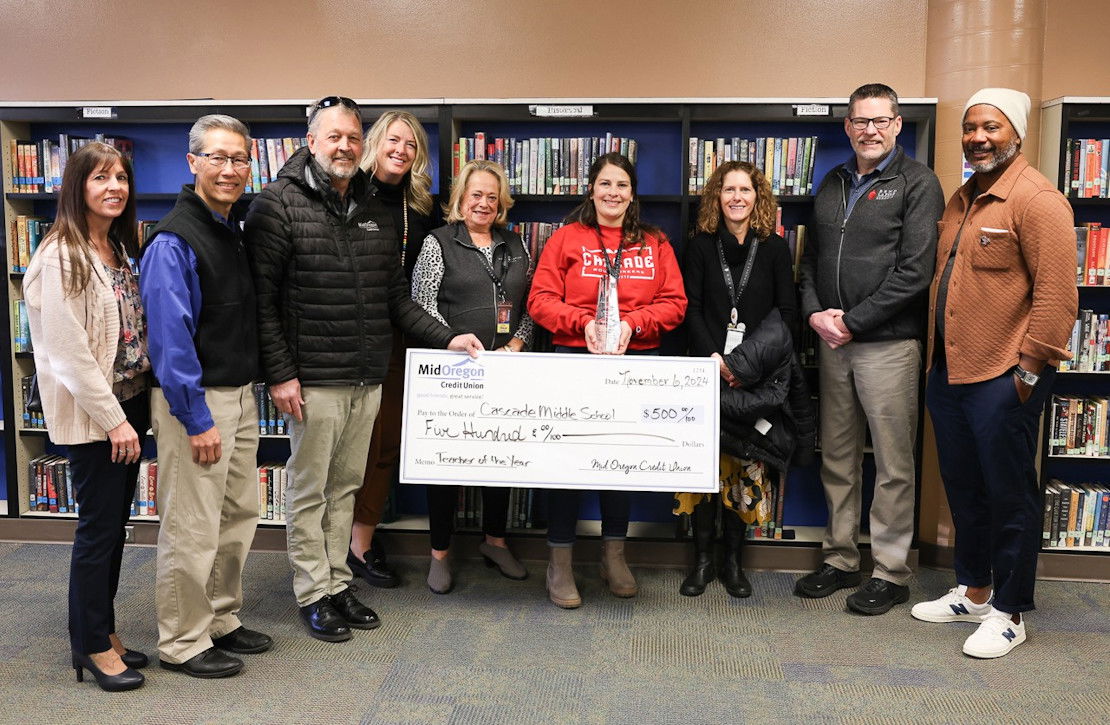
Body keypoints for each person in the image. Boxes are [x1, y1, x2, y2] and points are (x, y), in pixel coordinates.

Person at [245, 96, 482, 643]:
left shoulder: (375, 209)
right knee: (310, 490)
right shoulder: (277, 204)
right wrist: (280, 374)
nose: (345, 146)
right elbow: (263, 301)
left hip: (367, 374)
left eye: (352, 137)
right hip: (312, 379)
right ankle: (312, 592)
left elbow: (397, 298)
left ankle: (336, 582)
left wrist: (448, 338)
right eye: (334, 137)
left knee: (346, 485)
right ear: (311, 141)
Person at [914, 88, 1077, 658]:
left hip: (1004, 375)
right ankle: (975, 589)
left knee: (1010, 496)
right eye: (970, 128)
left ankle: (1010, 611)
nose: (978, 137)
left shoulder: (1038, 200)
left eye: (991, 127)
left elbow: (1058, 299)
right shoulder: (962, 199)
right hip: (950, 371)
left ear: (1018, 133)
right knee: (964, 487)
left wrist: (1026, 376)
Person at [796, 83, 944, 615]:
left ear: (898, 125)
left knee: (892, 462)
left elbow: (915, 272)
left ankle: (890, 570)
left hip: (886, 345)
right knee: (837, 455)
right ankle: (839, 559)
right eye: (861, 121)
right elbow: (810, 260)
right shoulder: (832, 183)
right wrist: (816, 314)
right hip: (833, 342)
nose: (870, 130)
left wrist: (852, 322)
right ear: (848, 127)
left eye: (881, 120)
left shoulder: (919, 184)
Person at [141, 114, 270, 679]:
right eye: (216, 158)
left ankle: (220, 618)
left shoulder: (231, 228)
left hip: (239, 398)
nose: (229, 169)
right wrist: (196, 420)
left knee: (238, 513)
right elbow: (170, 343)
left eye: (238, 159)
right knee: (192, 525)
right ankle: (183, 639)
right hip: (197, 405)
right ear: (192, 163)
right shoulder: (174, 240)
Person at [528, 152, 687, 609]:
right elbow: (540, 300)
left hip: (634, 364)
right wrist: (583, 324)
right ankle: (559, 562)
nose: (613, 193)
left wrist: (631, 324)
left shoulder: (654, 242)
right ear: (591, 189)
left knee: (621, 461)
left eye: (621, 185)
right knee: (567, 465)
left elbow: (675, 304)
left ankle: (613, 555)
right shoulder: (566, 239)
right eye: (605, 184)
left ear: (632, 192)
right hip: (574, 361)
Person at [24, 142, 149, 692]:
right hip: (99, 416)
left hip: (130, 401)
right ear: (77, 186)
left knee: (114, 528)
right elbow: (67, 352)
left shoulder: (116, 248)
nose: (114, 187)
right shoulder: (60, 255)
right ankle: (91, 644)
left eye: (121, 177)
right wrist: (112, 420)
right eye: (101, 178)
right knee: (98, 531)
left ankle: (104, 628)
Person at [675, 161, 800, 598]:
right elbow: (689, 308)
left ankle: (732, 562)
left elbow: (786, 314)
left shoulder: (775, 249)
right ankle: (702, 562)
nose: (736, 198)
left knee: (744, 464)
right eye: (728, 189)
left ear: (757, 197)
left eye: (745, 190)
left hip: (756, 376)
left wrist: (746, 366)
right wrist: (716, 359)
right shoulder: (700, 247)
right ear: (716, 196)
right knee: (706, 468)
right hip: (706, 370)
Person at [412, 159, 533, 593]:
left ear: (501, 203)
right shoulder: (437, 242)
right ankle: (440, 554)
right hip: (453, 374)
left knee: (501, 461)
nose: (484, 202)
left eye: (491, 196)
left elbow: (531, 306)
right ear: (460, 200)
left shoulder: (516, 244)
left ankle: (496, 542)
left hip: (505, 369)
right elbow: (421, 304)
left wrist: (516, 344)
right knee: (446, 466)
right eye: (475, 194)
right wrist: (452, 341)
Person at [348, 110, 439, 589]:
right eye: (394, 141)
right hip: (349, 336)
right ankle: (331, 542)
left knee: (384, 443)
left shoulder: (420, 205)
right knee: (343, 445)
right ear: (376, 143)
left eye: (411, 145)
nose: (401, 150)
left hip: (402, 337)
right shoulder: (346, 195)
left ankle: (361, 540)